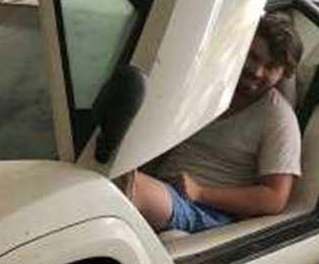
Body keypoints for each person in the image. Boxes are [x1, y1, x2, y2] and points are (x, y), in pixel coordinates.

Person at [127, 12, 303, 232]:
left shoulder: (278, 118)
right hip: (164, 191)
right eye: (253, 57)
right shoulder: (207, 89)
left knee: (128, 187)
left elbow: (275, 197)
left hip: (208, 211)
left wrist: (200, 192)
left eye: (270, 67)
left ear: (284, 74)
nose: (257, 71)